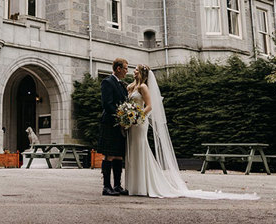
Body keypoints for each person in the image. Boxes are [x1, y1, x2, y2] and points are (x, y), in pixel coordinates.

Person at [124, 64, 259, 200]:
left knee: (140, 148)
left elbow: (149, 106)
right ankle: (134, 185)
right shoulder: (132, 86)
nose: (133, 71)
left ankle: (142, 185)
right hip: (132, 123)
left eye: (136, 69)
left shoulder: (143, 87)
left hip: (140, 123)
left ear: (141, 72)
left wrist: (138, 116)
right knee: (132, 149)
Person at [97, 57, 129, 196]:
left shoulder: (122, 85)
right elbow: (107, 104)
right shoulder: (107, 82)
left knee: (118, 156)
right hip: (110, 123)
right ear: (118, 68)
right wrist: (120, 117)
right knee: (109, 155)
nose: (127, 71)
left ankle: (117, 185)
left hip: (120, 125)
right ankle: (106, 186)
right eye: (126, 68)